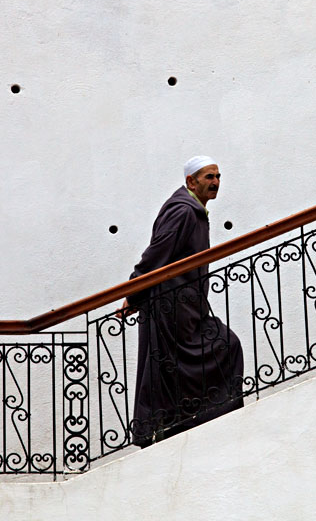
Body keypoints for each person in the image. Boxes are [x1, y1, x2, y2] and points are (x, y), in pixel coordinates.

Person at [121, 156, 244, 447]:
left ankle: (190, 421)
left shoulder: (194, 210)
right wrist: (134, 292)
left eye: (218, 177)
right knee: (177, 362)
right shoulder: (184, 212)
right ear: (191, 181)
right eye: (208, 177)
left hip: (186, 307)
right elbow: (157, 252)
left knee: (221, 347)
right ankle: (167, 427)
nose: (215, 183)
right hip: (169, 306)